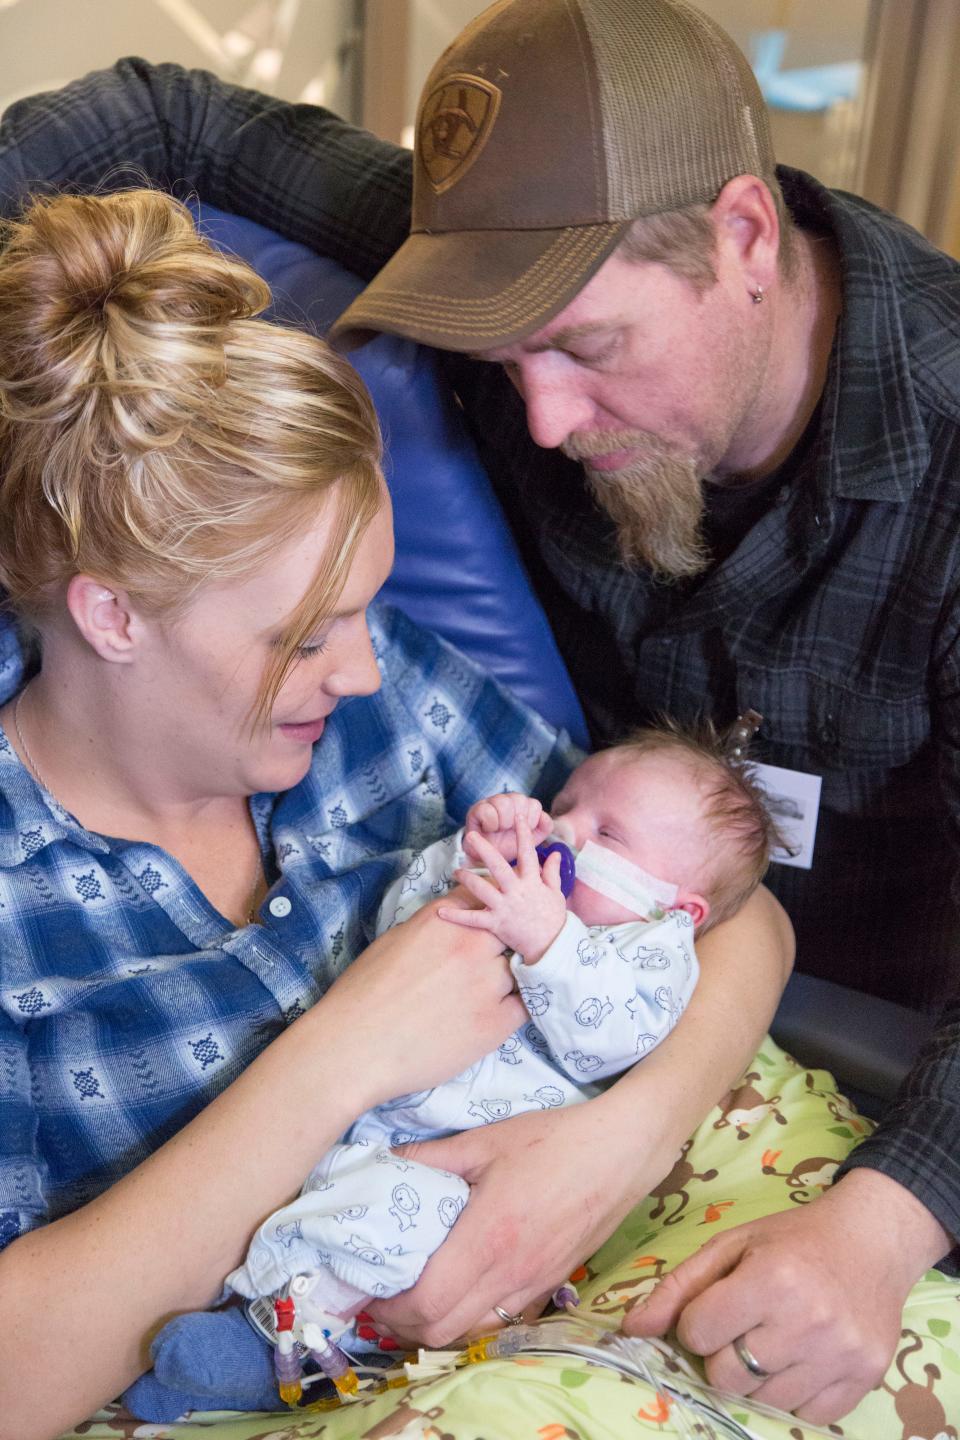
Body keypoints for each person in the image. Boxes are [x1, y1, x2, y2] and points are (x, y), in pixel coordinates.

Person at [0, 0, 948, 1423]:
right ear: (109, 614)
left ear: (747, 240)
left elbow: (739, 924)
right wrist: (351, 1058)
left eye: (589, 346)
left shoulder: (391, 711)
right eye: (504, 358)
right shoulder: (513, 247)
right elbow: (163, 118)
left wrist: (811, 1198)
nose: (545, 422)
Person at [124, 726, 780, 1420]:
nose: (563, 828)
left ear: (678, 905)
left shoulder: (653, 949)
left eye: (608, 834)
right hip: (376, 1105)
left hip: (461, 1173)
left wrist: (549, 937)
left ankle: (288, 1343)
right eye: (565, 803)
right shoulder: (512, 885)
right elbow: (398, 922)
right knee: (300, 1187)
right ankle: (236, 1318)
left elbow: (609, 1037)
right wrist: (463, 859)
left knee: (387, 1219)